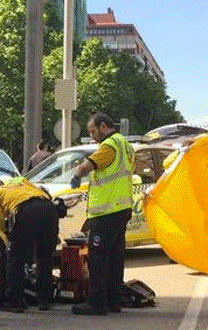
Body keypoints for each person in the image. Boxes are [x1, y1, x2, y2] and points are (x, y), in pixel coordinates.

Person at [69, 112, 135, 316]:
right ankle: (114, 301)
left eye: (93, 131)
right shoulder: (125, 144)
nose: (92, 136)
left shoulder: (110, 145)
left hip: (106, 211)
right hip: (121, 208)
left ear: (104, 126)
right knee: (115, 257)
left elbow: (90, 164)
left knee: (98, 257)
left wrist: (77, 173)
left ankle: (97, 303)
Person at [0, 177, 59, 313]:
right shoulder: (22, 181)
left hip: (25, 211)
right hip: (48, 208)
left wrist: (8, 236)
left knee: (16, 258)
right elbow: (43, 192)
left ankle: (15, 302)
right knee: (45, 257)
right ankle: (44, 300)